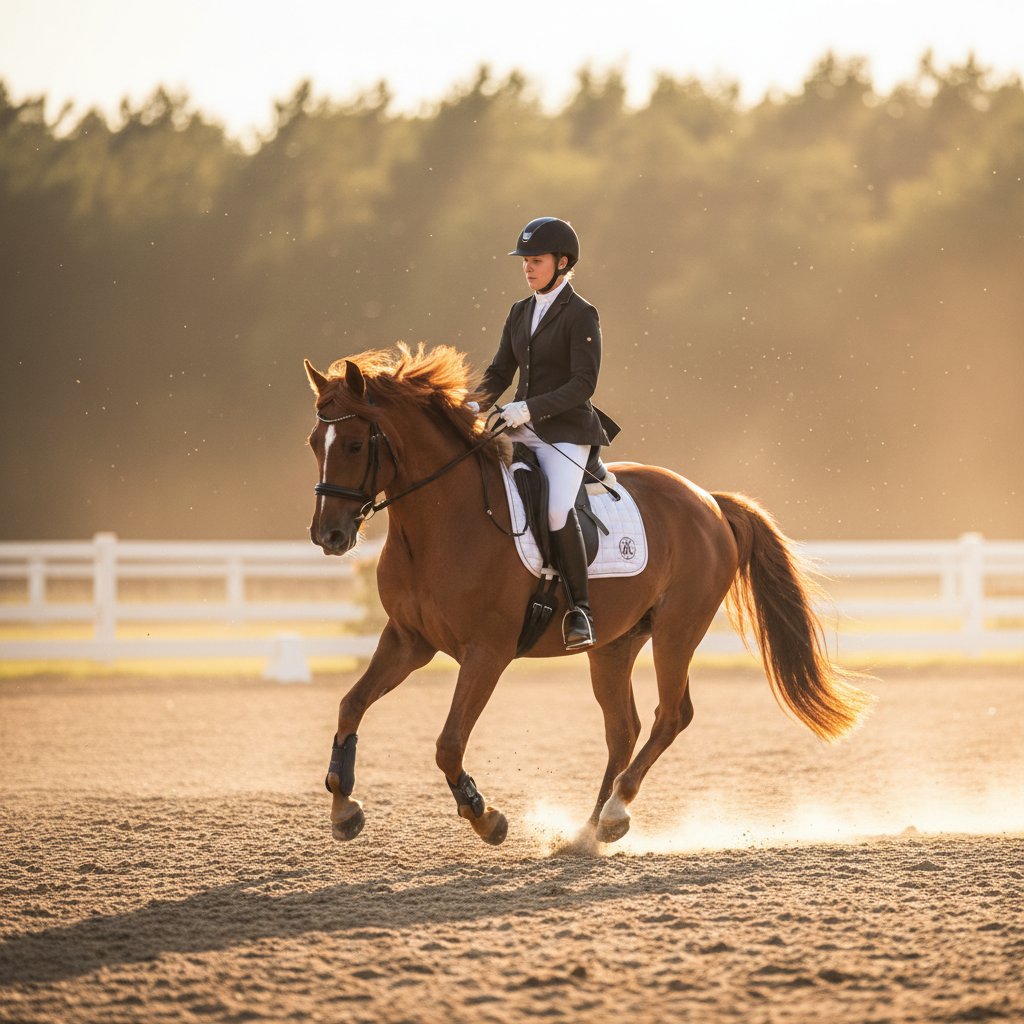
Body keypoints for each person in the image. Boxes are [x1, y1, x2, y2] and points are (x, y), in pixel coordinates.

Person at [475, 217, 619, 650]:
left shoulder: (581, 314)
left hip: (563, 434)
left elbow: (583, 384)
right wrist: (469, 404)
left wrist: (530, 407)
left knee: (557, 510)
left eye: (535, 261)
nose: (527, 268)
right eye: (525, 262)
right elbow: (501, 370)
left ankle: (580, 610)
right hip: (519, 427)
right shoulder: (520, 312)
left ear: (562, 262)